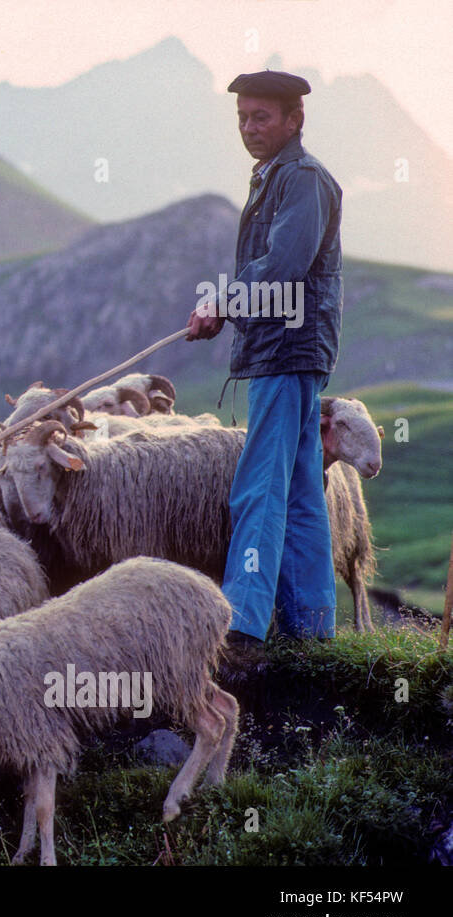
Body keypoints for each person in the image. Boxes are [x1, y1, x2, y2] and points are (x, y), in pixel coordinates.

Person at [186, 69, 343, 645]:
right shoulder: (274, 176)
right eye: (242, 119)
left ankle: (242, 623)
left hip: (286, 350)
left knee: (257, 484)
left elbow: (285, 264)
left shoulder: (301, 179)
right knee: (301, 489)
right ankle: (312, 631)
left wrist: (223, 302)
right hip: (288, 350)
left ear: (294, 120)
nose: (250, 129)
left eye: (262, 117)